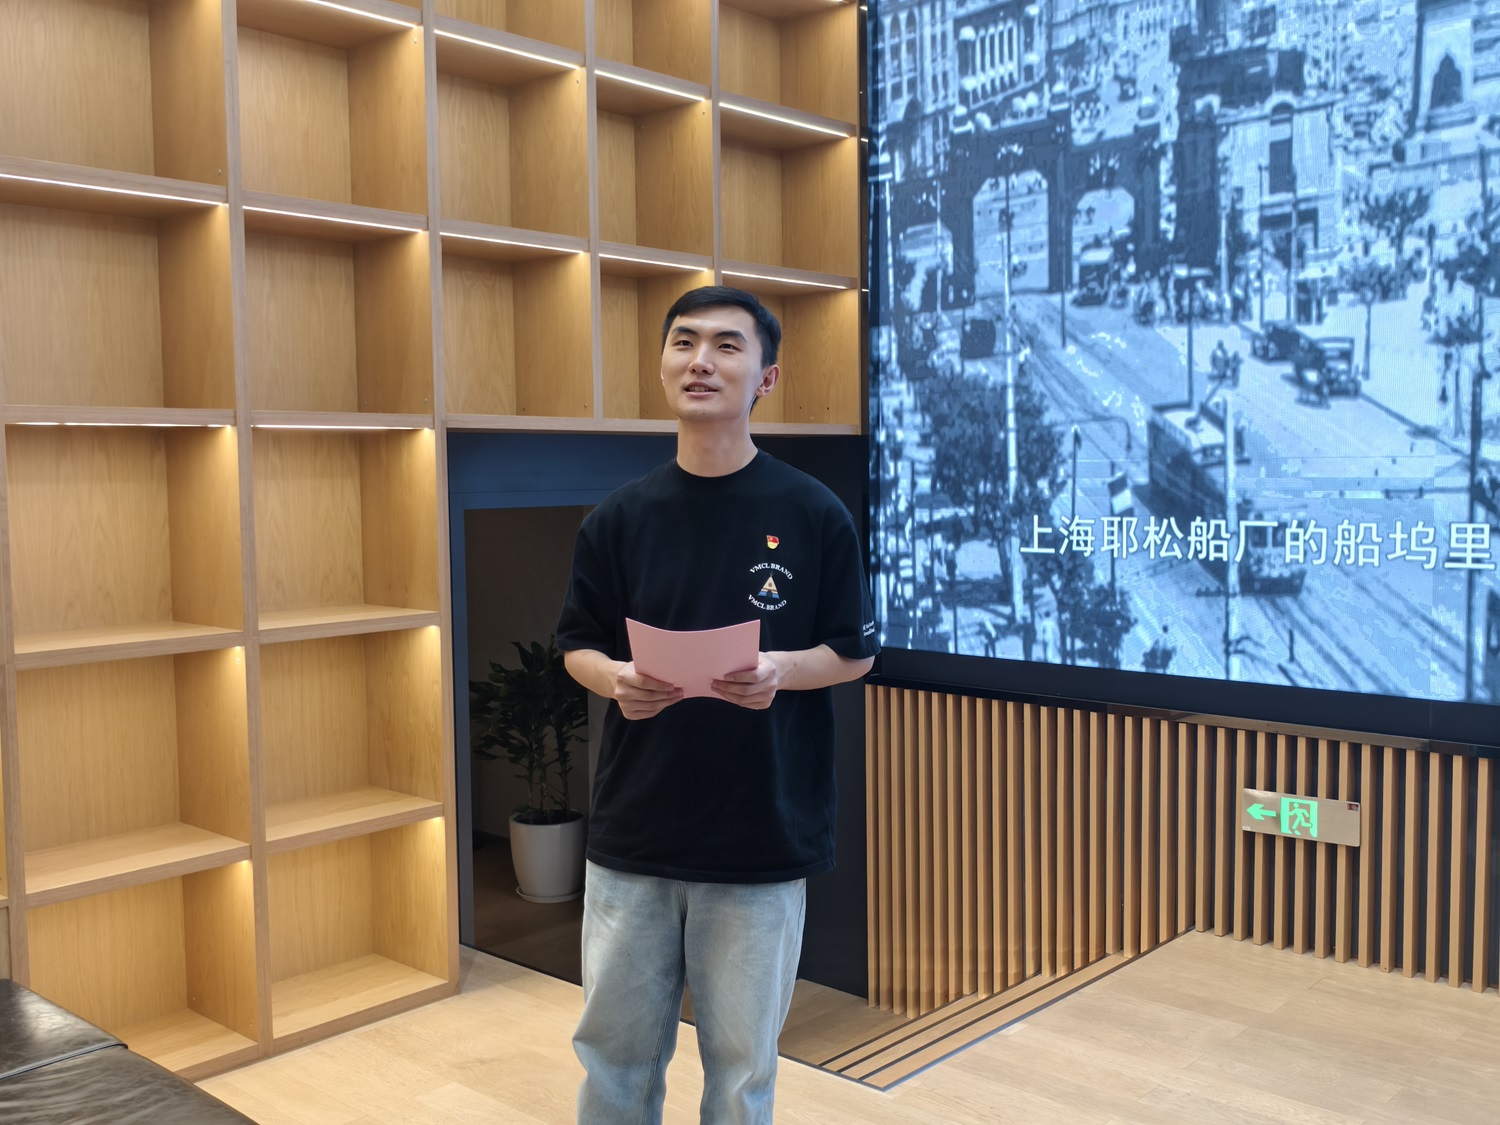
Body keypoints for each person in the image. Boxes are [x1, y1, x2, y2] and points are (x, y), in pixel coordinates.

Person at [556, 286, 879, 1125]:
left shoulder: (813, 512)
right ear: (664, 363)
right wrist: (614, 678)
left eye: (727, 346)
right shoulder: (617, 518)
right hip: (635, 831)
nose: (700, 360)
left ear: (766, 378)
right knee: (613, 1059)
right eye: (684, 342)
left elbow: (854, 650)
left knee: (740, 1073)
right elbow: (577, 643)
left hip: (759, 835)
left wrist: (780, 668)